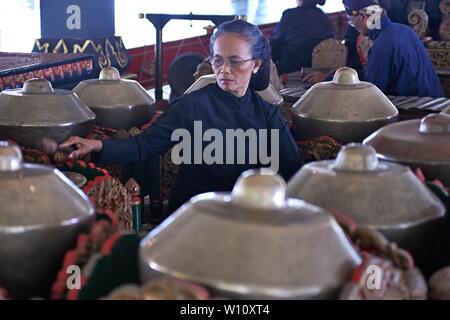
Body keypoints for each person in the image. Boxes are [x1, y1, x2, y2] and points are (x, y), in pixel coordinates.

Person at [60, 19, 304, 215]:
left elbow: (293, 170)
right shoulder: (192, 105)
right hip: (194, 211)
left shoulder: (267, 114)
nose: (224, 70)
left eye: (235, 62)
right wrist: (97, 145)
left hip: (246, 212)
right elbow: (145, 145)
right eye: (218, 60)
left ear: (256, 65)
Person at [344, 0, 444, 97]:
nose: (354, 26)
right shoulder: (405, 30)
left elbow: (373, 92)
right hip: (437, 102)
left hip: (418, 110)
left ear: (363, 17)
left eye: (351, 21)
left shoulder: (383, 44)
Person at [269, 0, 334, 75]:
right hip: (321, 71)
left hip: (293, 69)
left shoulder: (290, 15)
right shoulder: (324, 17)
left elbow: (276, 41)